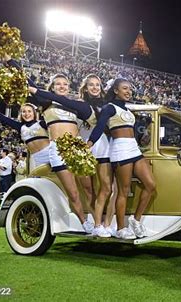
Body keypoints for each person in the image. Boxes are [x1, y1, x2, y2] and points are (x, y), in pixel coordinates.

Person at [28, 74, 112, 237]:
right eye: (58, 84)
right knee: (72, 192)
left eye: (65, 84)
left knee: (89, 189)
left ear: (69, 87)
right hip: (57, 150)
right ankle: (84, 223)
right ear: (52, 87)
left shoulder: (75, 105)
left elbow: (95, 119)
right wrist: (10, 60)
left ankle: (98, 224)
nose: (62, 86)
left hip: (77, 148)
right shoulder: (46, 103)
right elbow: (30, 84)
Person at [88, 78, 156, 239]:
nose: (128, 91)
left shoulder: (127, 110)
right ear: (116, 90)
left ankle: (136, 220)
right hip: (120, 150)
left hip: (134, 148)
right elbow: (99, 127)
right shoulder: (109, 108)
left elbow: (132, 131)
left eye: (130, 89)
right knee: (123, 191)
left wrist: (143, 138)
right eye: (124, 88)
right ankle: (120, 228)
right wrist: (89, 143)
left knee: (150, 185)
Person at [0, 104, 50, 169]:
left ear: (34, 113)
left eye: (29, 111)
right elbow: (3, 118)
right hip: (35, 159)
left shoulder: (42, 123)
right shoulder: (20, 127)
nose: (26, 114)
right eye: (24, 111)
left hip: (50, 155)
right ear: (21, 114)